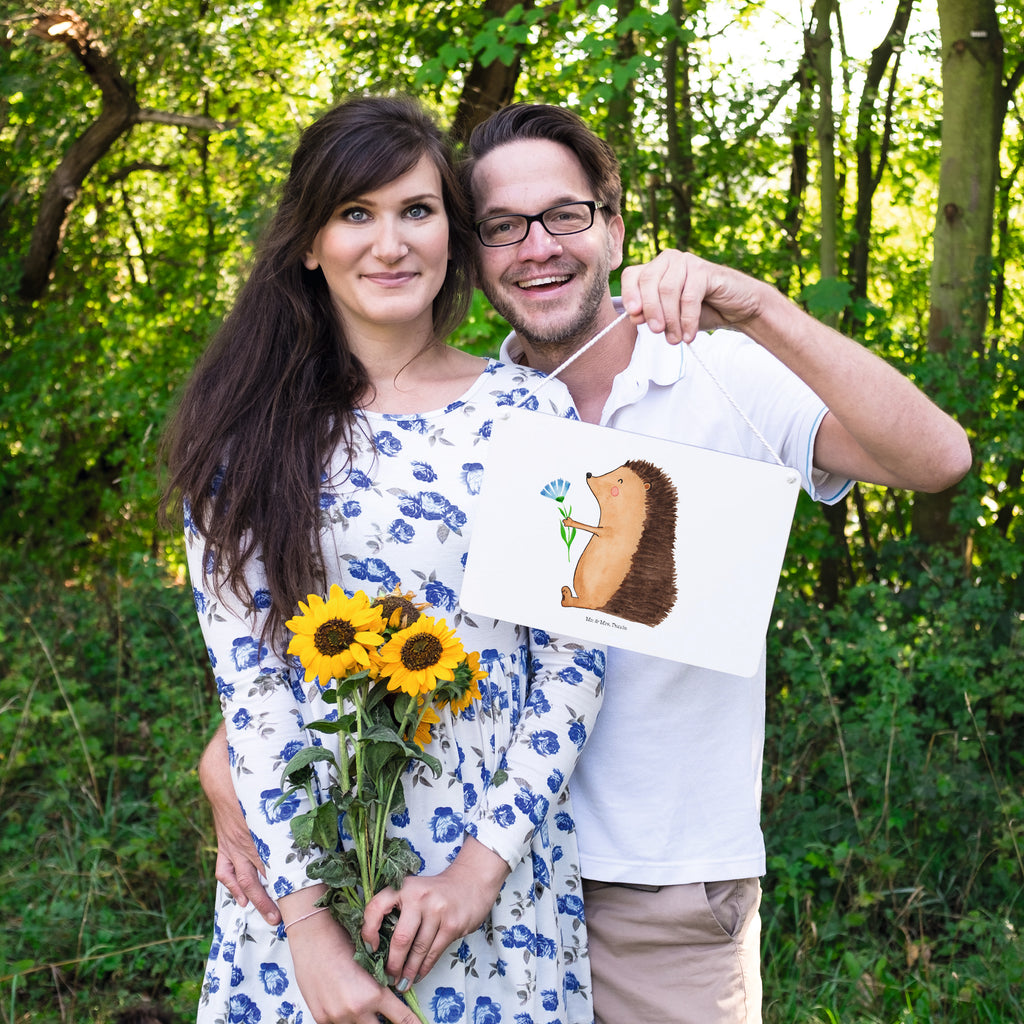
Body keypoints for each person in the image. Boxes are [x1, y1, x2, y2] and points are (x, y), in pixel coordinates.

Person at [202, 102, 972, 1024]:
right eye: (502, 226)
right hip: (423, 875)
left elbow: (937, 461)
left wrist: (759, 306)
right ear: (474, 250)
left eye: (565, 215)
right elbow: (332, 634)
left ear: (612, 225)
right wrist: (234, 770)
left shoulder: (708, 374)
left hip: (651, 887)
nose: (537, 247)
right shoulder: (455, 417)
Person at [163, 96, 607, 1024]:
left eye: (417, 210)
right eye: (355, 214)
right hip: (301, 886)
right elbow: (253, 690)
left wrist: (478, 873)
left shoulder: (534, 416)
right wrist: (311, 937)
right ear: (309, 244)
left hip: (493, 886)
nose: (390, 243)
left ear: (452, 230)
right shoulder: (244, 437)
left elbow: (574, 661)